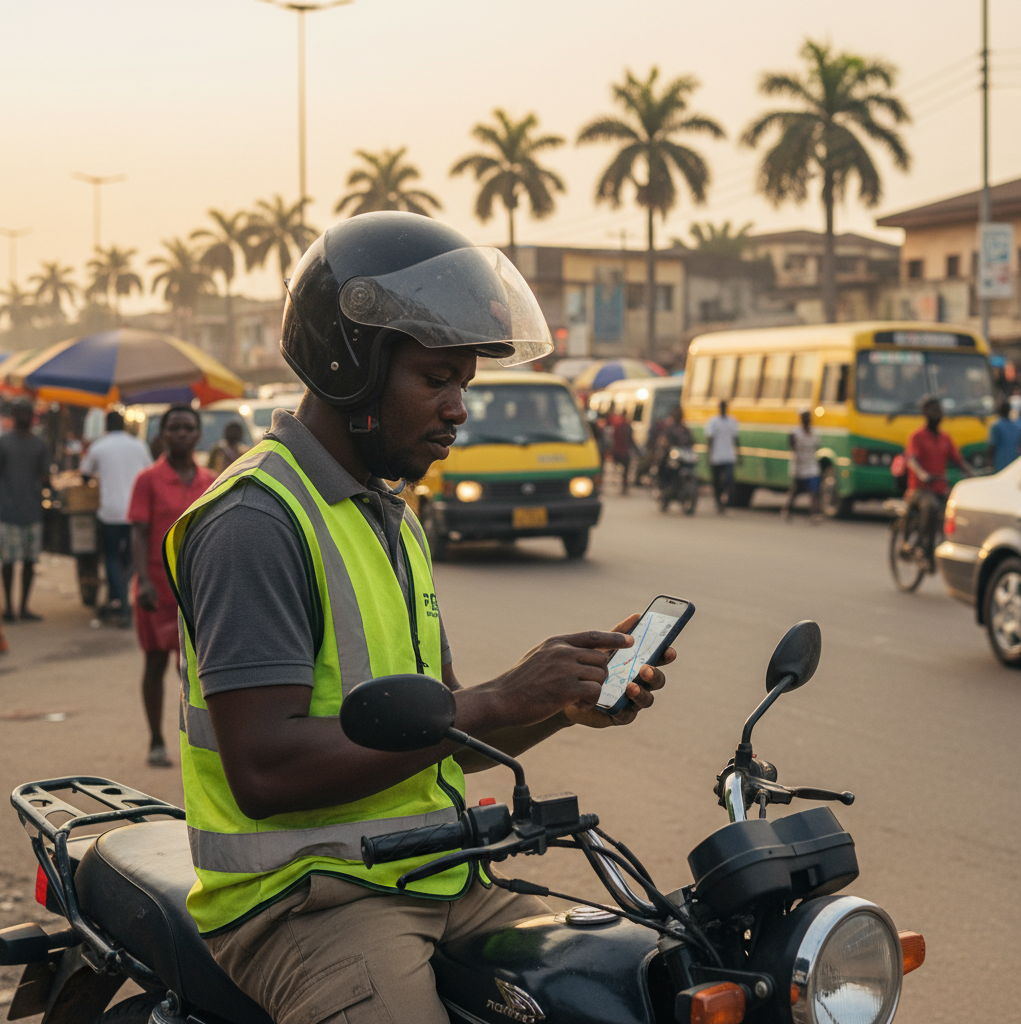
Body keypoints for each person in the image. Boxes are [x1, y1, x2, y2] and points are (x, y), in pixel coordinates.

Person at [163, 212, 675, 1024]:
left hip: (437, 875)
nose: (458, 408)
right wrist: (505, 696)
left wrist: (558, 709)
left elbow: (443, 737)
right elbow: (264, 772)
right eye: (436, 379)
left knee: (630, 985)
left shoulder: (388, 515)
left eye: (464, 383)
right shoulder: (256, 522)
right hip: (307, 906)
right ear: (352, 371)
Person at [128, 406, 215, 767]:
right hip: (156, 590)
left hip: (195, 592)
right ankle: (156, 740)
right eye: (174, 428)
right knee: (154, 663)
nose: (181, 433)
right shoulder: (148, 480)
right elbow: (137, 530)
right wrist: (143, 581)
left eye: (188, 428)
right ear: (162, 434)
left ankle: (197, 741)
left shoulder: (211, 480)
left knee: (199, 672)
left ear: (198, 435)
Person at [80, 410, 152, 625]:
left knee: (111, 557)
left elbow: (84, 474)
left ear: (106, 425)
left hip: (110, 512)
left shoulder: (99, 446)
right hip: (134, 512)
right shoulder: (138, 445)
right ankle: (121, 600)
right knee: (129, 559)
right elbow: (149, 472)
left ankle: (121, 604)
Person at [905, 396, 972, 571]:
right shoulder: (917, 436)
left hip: (940, 488)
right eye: (933, 411)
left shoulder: (945, 438)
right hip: (920, 489)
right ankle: (918, 545)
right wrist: (923, 474)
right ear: (925, 414)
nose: (937, 414)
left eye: (939, 411)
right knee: (931, 507)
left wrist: (971, 473)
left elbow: (957, 460)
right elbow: (912, 460)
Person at [0, 399, 49, 622]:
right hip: (8, 511)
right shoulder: (3, 443)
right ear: (15, 414)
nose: (25, 416)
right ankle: (9, 607)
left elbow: (45, 476)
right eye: (21, 412)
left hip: (32, 511)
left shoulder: (40, 444)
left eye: (28, 412)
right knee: (8, 562)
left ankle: (24, 606)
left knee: (29, 562)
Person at [783, 409, 822, 521]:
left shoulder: (815, 433)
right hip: (799, 466)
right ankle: (787, 509)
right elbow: (792, 447)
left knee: (814, 491)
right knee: (795, 490)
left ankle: (814, 513)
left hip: (812, 466)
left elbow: (816, 447)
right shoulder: (795, 433)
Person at [705, 398, 739, 513]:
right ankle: (718, 502)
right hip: (716, 456)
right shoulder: (713, 422)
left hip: (728, 456)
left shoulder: (732, 421)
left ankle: (725, 500)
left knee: (729, 480)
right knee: (716, 482)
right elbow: (710, 439)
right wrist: (708, 456)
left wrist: (739, 455)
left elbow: (736, 439)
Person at [987, 400, 1021, 473]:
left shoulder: (996, 426)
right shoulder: (1017, 426)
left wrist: (988, 460)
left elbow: (992, 445)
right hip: (1014, 460)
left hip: (1001, 461)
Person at [609, 407, 634, 494]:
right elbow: (631, 440)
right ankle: (624, 486)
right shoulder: (626, 426)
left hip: (618, 450)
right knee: (626, 470)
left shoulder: (617, 426)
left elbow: (613, 439)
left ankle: (622, 485)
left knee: (620, 468)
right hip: (624, 451)